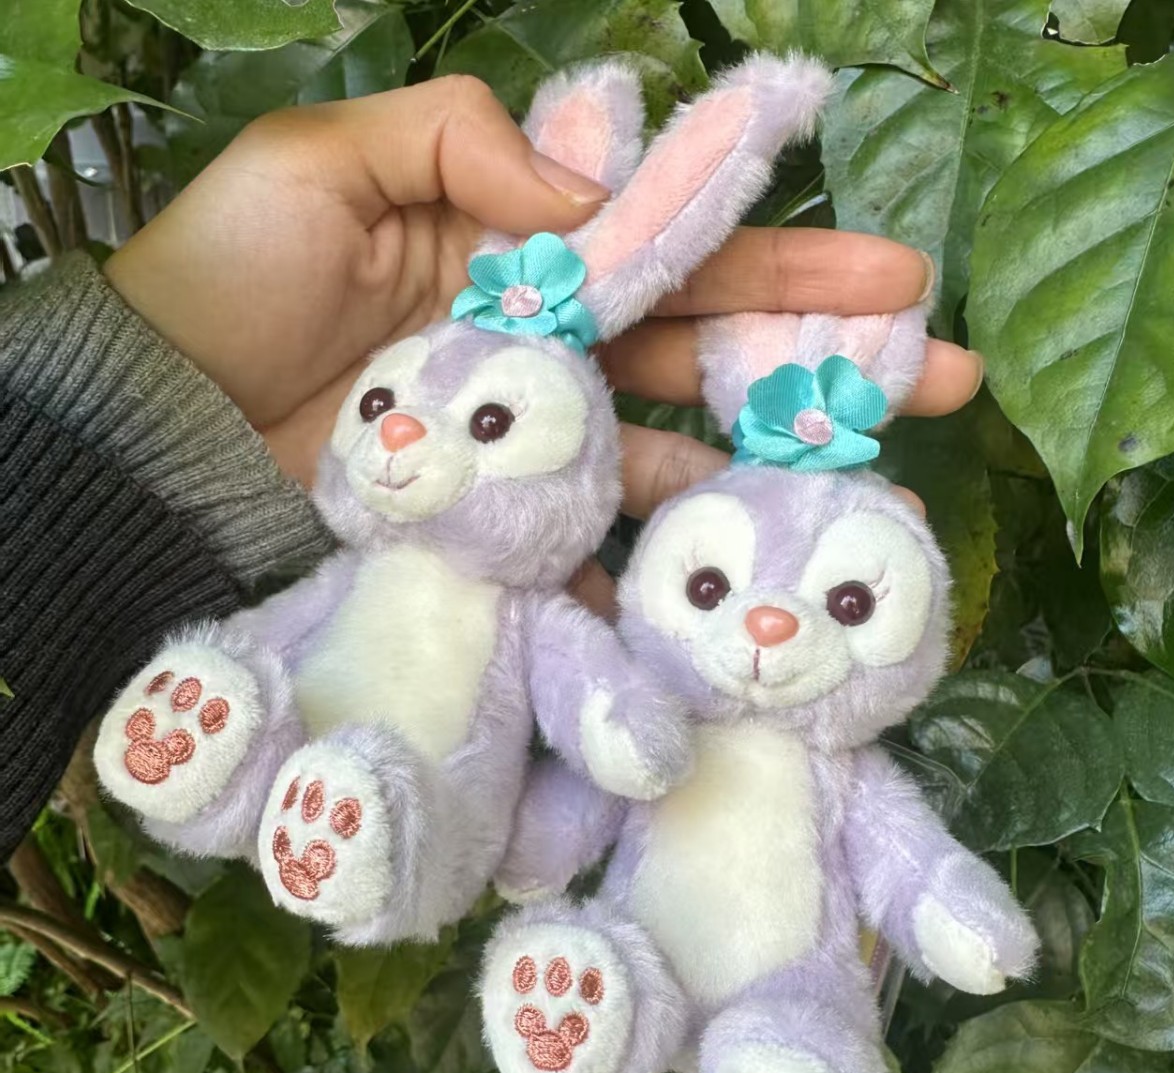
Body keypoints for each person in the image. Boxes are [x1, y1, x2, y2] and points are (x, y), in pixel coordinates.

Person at [0, 75, 982, 863]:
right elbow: (269, 635)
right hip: (302, 718)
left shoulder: (532, 617)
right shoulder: (358, 570)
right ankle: (218, 769)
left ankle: (359, 833)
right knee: (237, 681)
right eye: (380, 405)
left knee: (407, 822)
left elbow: (597, 701)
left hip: (421, 814)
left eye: (488, 421)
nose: (395, 433)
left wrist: (624, 730)